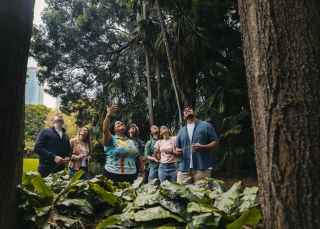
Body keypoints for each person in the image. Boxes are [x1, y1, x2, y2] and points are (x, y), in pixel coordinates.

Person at [102, 103, 145, 183]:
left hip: (132, 176)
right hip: (111, 175)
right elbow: (105, 130)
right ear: (114, 129)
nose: (121, 123)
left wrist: (142, 172)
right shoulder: (111, 138)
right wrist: (108, 115)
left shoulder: (132, 142)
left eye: (122, 123)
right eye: (118, 123)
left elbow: (139, 157)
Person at [176, 107, 219, 184]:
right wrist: (177, 151)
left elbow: (215, 142)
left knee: (202, 194)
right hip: (184, 169)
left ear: (195, 114)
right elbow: (177, 148)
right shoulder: (181, 131)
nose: (187, 110)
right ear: (183, 117)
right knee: (180, 194)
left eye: (189, 109)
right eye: (185, 110)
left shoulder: (206, 125)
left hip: (202, 168)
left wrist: (203, 147)